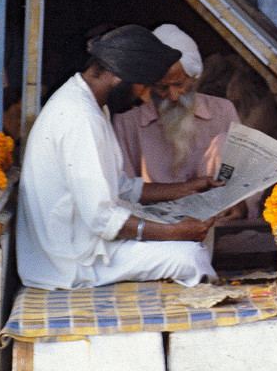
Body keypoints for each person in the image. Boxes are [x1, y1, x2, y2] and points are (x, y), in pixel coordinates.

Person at [16, 25, 222, 290]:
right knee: (191, 256)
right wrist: (174, 233)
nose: (146, 98)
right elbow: (102, 219)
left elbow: (121, 187)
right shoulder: (81, 117)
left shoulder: (87, 103)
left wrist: (187, 188)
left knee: (181, 237)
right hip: (70, 263)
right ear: (120, 76)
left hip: (80, 245)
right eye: (145, 87)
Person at [112, 25, 247, 216]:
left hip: (215, 222)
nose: (173, 96)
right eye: (162, 87)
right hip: (156, 228)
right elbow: (124, 192)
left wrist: (240, 207)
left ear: (192, 78)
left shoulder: (222, 110)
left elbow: (243, 177)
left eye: (179, 84)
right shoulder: (127, 122)